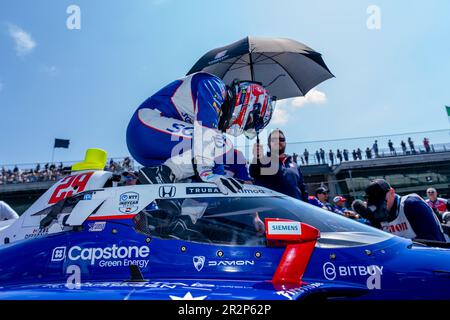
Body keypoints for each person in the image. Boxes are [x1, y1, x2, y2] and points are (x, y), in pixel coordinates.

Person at [126, 72, 274, 194]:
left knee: (214, 171)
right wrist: (207, 173)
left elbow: (216, 169)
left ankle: (185, 216)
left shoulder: (216, 117)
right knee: (220, 144)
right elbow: (206, 128)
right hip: (145, 126)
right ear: (248, 104)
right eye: (250, 123)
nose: (243, 129)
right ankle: (164, 172)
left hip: (150, 148)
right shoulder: (214, 84)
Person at [359, 179, 446, 241]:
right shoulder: (373, 212)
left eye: (380, 201)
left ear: (392, 193)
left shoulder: (412, 204)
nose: (378, 206)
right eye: (373, 202)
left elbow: (433, 241)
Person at [250, 129, 308, 201]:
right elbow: (253, 172)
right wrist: (256, 157)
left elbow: (303, 189)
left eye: (281, 139)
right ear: (268, 144)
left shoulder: (295, 165)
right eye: (274, 139)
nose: (278, 141)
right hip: (273, 210)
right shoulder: (262, 161)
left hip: (297, 210)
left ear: (285, 143)